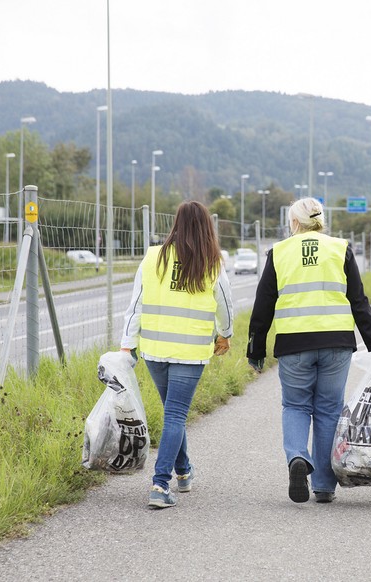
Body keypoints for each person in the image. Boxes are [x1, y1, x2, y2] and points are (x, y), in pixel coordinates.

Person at [247, 197, 371, 504]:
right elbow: (358, 300)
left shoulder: (279, 252)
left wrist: (255, 349)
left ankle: (298, 456)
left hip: (294, 344)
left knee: (296, 406)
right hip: (336, 343)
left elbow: (263, 305)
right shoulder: (340, 248)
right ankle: (324, 486)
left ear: (294, 223)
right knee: (328, 410)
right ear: (321, 221)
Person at [121, 200, 234, 509]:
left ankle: (183, 472)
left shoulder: (152, 257)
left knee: (173, 413)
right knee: (175, 414)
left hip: (155, 350)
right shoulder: (211, 261)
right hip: (190, 351)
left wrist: (127, 343)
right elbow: (224, 304)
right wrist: (225, 335)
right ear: (206, 227)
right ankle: (160, 484)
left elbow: (136, 305)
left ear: (176, 223)